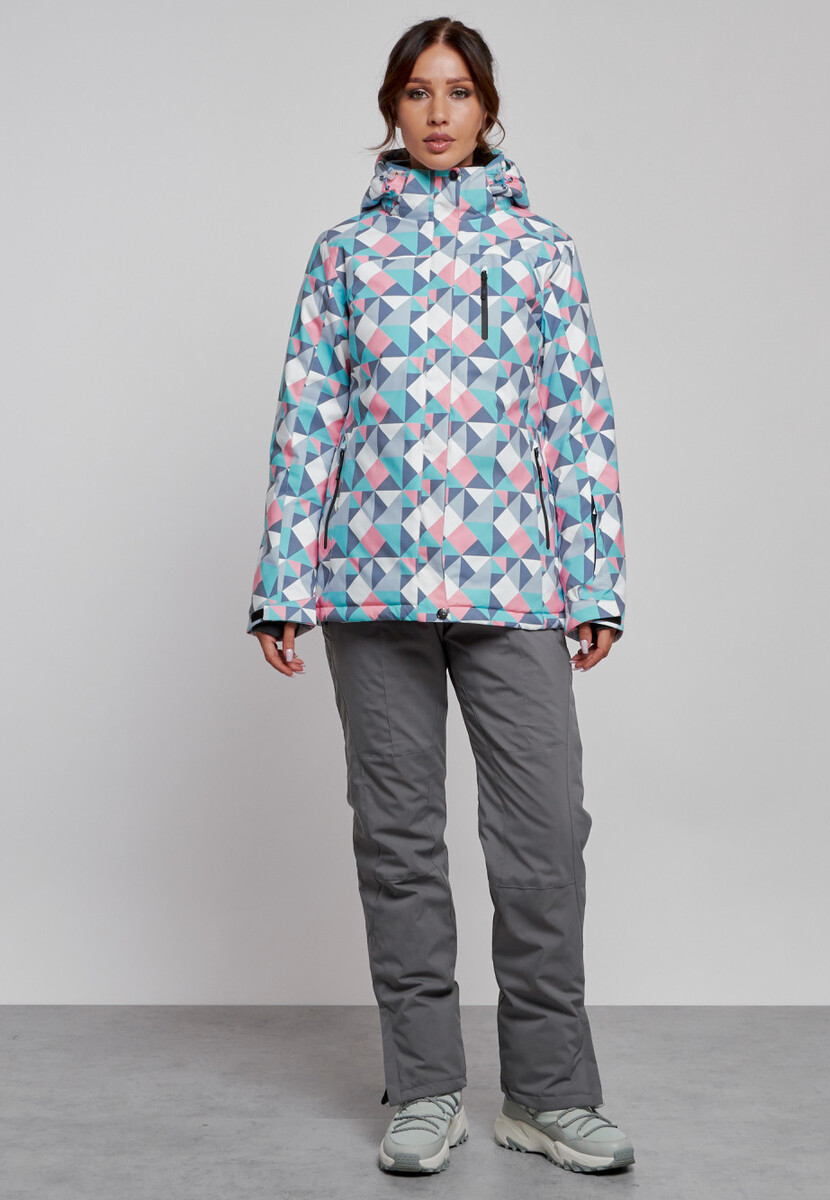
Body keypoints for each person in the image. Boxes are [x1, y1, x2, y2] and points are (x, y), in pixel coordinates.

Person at [246, 15, 634, 1178]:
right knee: (399, 842)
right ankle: (425, 1089)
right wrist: (283, 584)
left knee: (543, 839)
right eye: (418, 92)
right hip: (371, 590)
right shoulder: (343, 256)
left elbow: (576, 422)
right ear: (392, 107)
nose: (437, 112)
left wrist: (594, 579)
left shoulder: (541, 252)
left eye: (458, 92)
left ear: (487, 108)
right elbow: (308, 422)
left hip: (515, 584)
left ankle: (549, 1096)